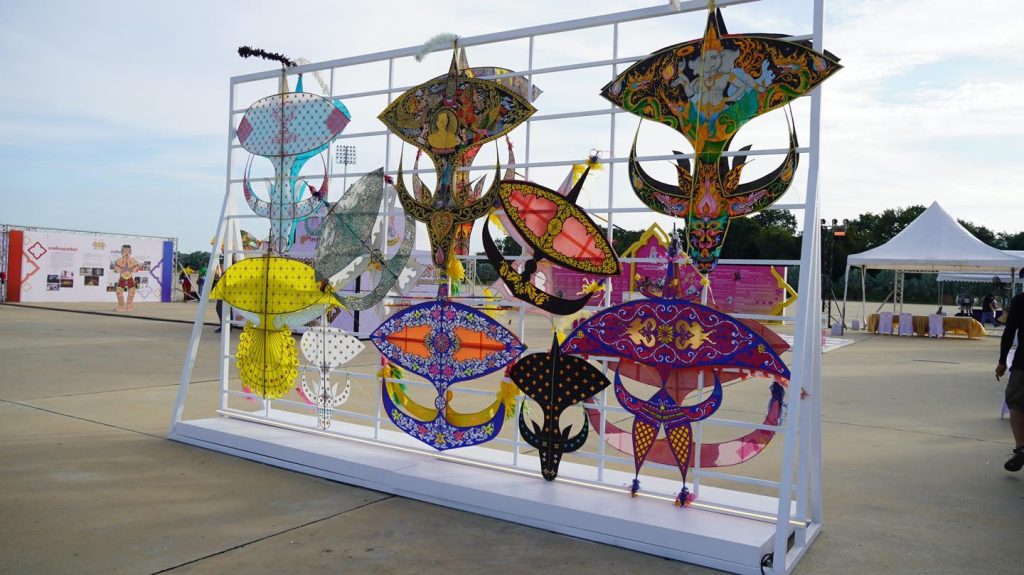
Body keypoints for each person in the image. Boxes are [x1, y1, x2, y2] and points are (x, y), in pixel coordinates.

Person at [996, 291, 1024, 471]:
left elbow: (1009, 331)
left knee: (1016, 402)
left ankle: (1021, 447)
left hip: (1023, 363)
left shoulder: (1020, 300)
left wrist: (1002, 361)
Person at [113, 245, 141, 311]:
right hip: (122, 277)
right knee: (119, 290)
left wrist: (131, 269)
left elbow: (137, 267)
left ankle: (129, 305)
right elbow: (115, 268)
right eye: (125, 250)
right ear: (122, 251)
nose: (126, 252)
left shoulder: (132, 260)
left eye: (128, 250)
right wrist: (121, 270)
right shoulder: (119, 260)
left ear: (130, 251)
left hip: (129, 277)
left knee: (132, 290)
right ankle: (121, 306)